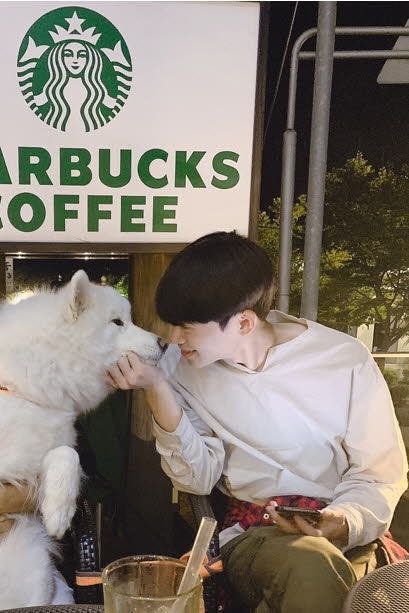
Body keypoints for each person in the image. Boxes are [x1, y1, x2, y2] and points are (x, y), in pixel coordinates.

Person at [108, 230, 408, 613]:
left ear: (244, 323)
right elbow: (195, 479)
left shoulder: (343, 358)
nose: (174, 337)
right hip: (256, 531)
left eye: (187, 326)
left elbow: (380, 474)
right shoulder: (178, 369)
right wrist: (155, 388)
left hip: (345, 529)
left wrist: (344, 520)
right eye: (172, 324)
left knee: (343, 589)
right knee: (311, 569)